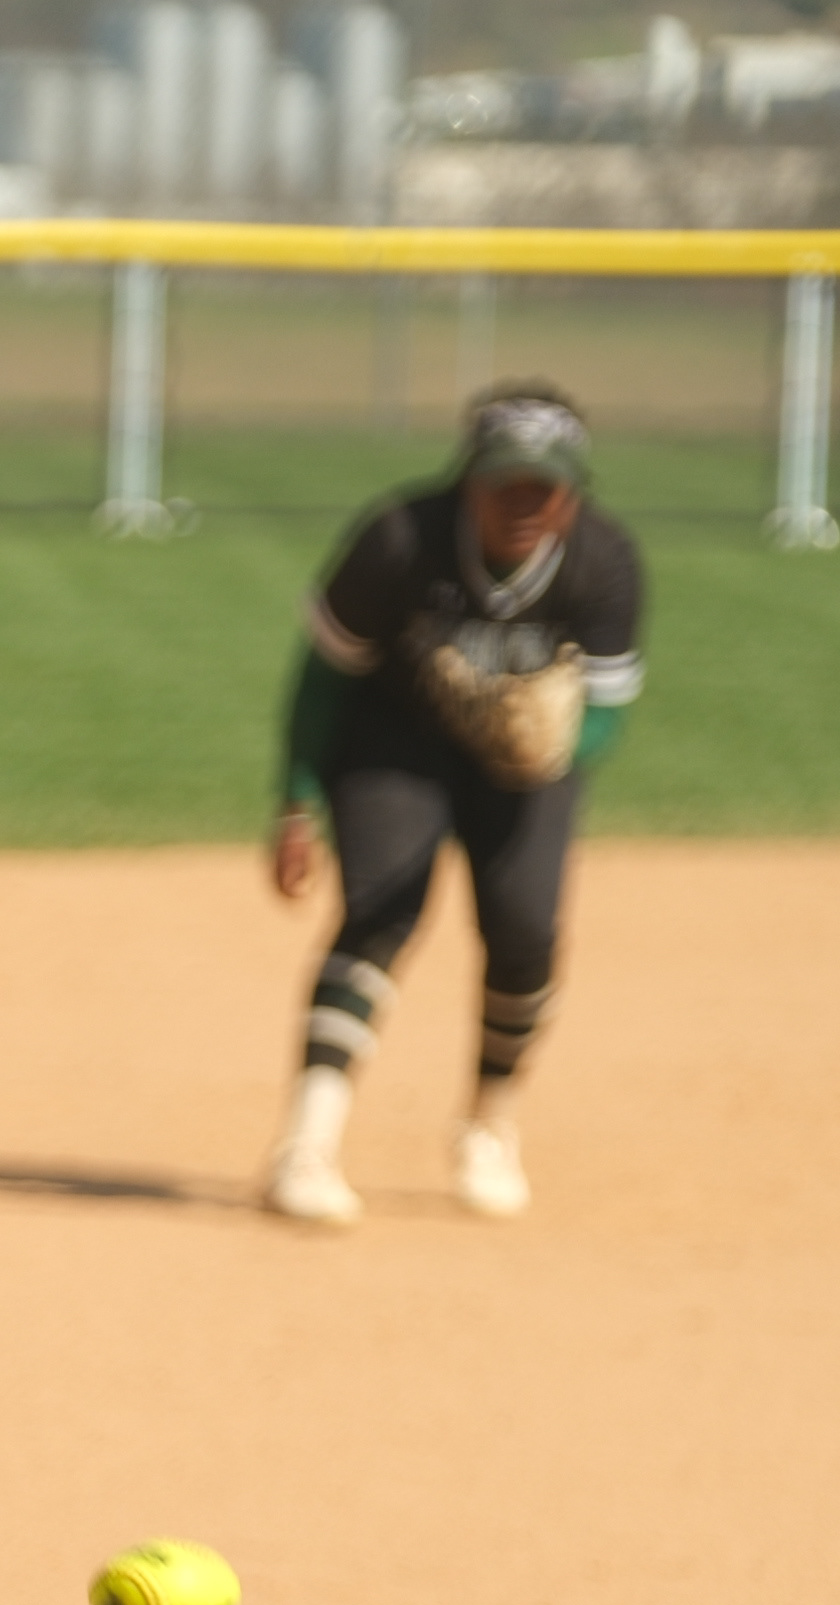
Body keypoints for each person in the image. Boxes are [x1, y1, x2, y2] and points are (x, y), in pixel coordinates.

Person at [259, 384, 648, 1224]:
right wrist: (295, 801)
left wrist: (554, 749)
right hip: (396, 741)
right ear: (467, 480)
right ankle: (306, 1148)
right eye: (503, 483)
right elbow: (325, 676)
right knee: (380, 908)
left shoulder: (605, 561)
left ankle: (488, 1124)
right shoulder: (399, 538)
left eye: (541, 489)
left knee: (524, 930)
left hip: (527, 768)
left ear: (572, 495)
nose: (521, 505)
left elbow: (610, 711)